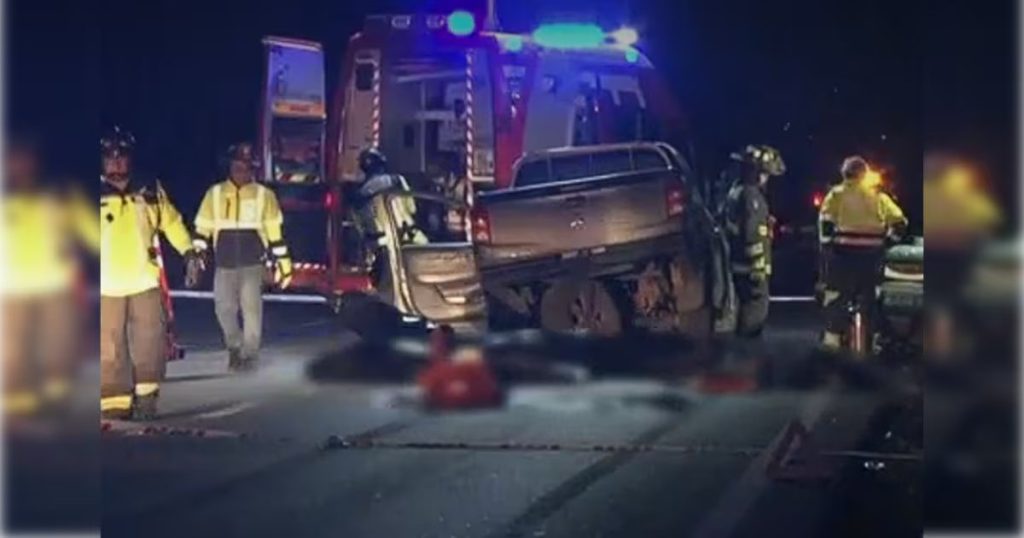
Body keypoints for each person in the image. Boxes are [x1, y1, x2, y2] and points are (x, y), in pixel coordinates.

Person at [99, 127, 198, 420]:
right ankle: (113, 401)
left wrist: (190, 251)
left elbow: (172, 222)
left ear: (131, 159)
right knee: (108, 347)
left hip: (144, 280)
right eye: (110, 157)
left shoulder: (149, 190)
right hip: (105, 284)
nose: (116, 162)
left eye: (122, 156)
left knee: (150, 342)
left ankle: (146, 399)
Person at [2, 137, 98, 418]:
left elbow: (93, 232)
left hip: (56, 286)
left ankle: (57, 402)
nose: (19, 166)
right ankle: (17, 409)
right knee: (12, 351)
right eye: (13, 159)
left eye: (24, 159)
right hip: (11, 289)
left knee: (59, 345)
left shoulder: (62, 196)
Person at [193, 142, 291, 372]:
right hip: (224, 262)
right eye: (237, 165)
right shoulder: (215, 194)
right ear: (230, 166)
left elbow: (274, 232)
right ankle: (234, 346)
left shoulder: (265, 196)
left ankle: (249, 355)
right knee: (223, 309)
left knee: (251, 310)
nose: (241, 171)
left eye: (246, 166)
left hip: (252, 262)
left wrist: (284, 263)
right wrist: (196, 253)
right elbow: (202, 228)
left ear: (252, 168)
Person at [818, 155, 907, 350]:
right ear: (864, 174)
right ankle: (873, 339)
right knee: (871, 298)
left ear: (844, 173)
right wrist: (889, 242)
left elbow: (826, 224)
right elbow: (900, 223)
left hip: (843, 256)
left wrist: (827, 247)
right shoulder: (879, 197)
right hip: (872, 256)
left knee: (837, 297)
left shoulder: (836, 194)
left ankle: (832, 342)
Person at [723, 145, 785, 337]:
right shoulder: (751, 196)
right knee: (755, 311)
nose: (766, 180)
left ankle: (742, 354)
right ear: (757, 173)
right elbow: (751, 234)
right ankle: (746, 355)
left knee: (746, 309)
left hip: (739, 265)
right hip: (751, 269)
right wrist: (758, 267)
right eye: (765, 175)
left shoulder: (736, 191)